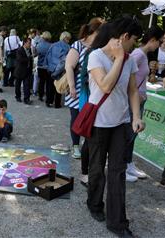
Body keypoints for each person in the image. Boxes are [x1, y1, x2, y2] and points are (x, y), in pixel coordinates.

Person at [86, 16, 144, 238]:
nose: (134, 45)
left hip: (121, 123)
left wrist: (135, 117)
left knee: (118, 172)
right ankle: (94, 204)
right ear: (124, 37)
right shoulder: (96, 56)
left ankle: (118, 223)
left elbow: (132, 91)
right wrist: (119, 58)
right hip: (99, 122)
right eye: (134, 40)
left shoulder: (130, 60)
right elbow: (106, 85)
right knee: (97, 168)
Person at [125, 26, 165, 182]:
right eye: (159, 42)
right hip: (134, 101)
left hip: (139, 99)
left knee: (133, 134)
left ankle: (128, 164)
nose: (160, 45)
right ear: (153, 40)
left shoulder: (143, 54)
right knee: (129, 134)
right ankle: (123, 166)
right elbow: (125, 73)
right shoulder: (138, 54)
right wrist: (133, 94)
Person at [64, 17, 104, 159]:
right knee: (76, 118)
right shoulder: (78, 45)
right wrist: (72, 87)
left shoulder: (100, 47)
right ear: (95, 31)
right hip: (77, 89)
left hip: (93, 90)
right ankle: (76, 146)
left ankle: (87, 146)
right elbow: (69, 66)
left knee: (90, 118)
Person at [14, 37, 33, 105]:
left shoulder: (30, 49)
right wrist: (29, 58)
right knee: (18, 85)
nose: (30, 44)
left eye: (30, 43)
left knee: (27, 85)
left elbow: (30, 59)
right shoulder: (19, 50)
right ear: (24, 43)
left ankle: (26, 99)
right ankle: (18, 96)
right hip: (20, 70)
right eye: (29, 43)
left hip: (27, 71)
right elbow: (20, 59)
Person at [36, 31, 52, 104]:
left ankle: (40, 95)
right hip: (48, 66)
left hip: (40, 66)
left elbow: (36, 53)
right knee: (48, 83)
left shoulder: (39, 45)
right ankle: (48, 98)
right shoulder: (51, 46)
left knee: (41, 81)